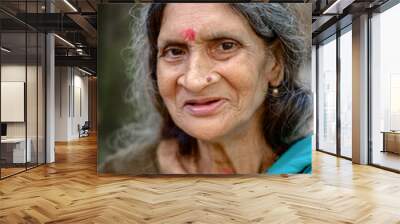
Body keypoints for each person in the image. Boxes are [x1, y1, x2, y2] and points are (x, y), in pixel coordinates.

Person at [100, 3, 313, 175]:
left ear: (275, 64)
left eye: (225, 46)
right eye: (174, 51)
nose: (194, 80)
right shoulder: (123, 171)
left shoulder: (312, 169)